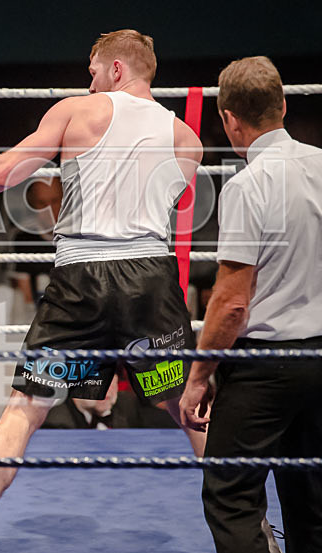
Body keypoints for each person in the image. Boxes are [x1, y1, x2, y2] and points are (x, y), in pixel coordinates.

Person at [0, 29, 206, 552]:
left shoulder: (79, 110)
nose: (91, 79)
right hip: (151, 282)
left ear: (117, 69)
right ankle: (252, 530)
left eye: (95, 70)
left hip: (81, 282)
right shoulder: (187, 138)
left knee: (25, 407)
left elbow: (0, 175)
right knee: (185, 404)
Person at [180, 56, 322, 553]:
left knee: (231, 494)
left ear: (229, 119)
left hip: (267, 367)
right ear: (283, 105)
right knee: (313, 501)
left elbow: (232, 304)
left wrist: (198, 377)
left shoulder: (247, 186)